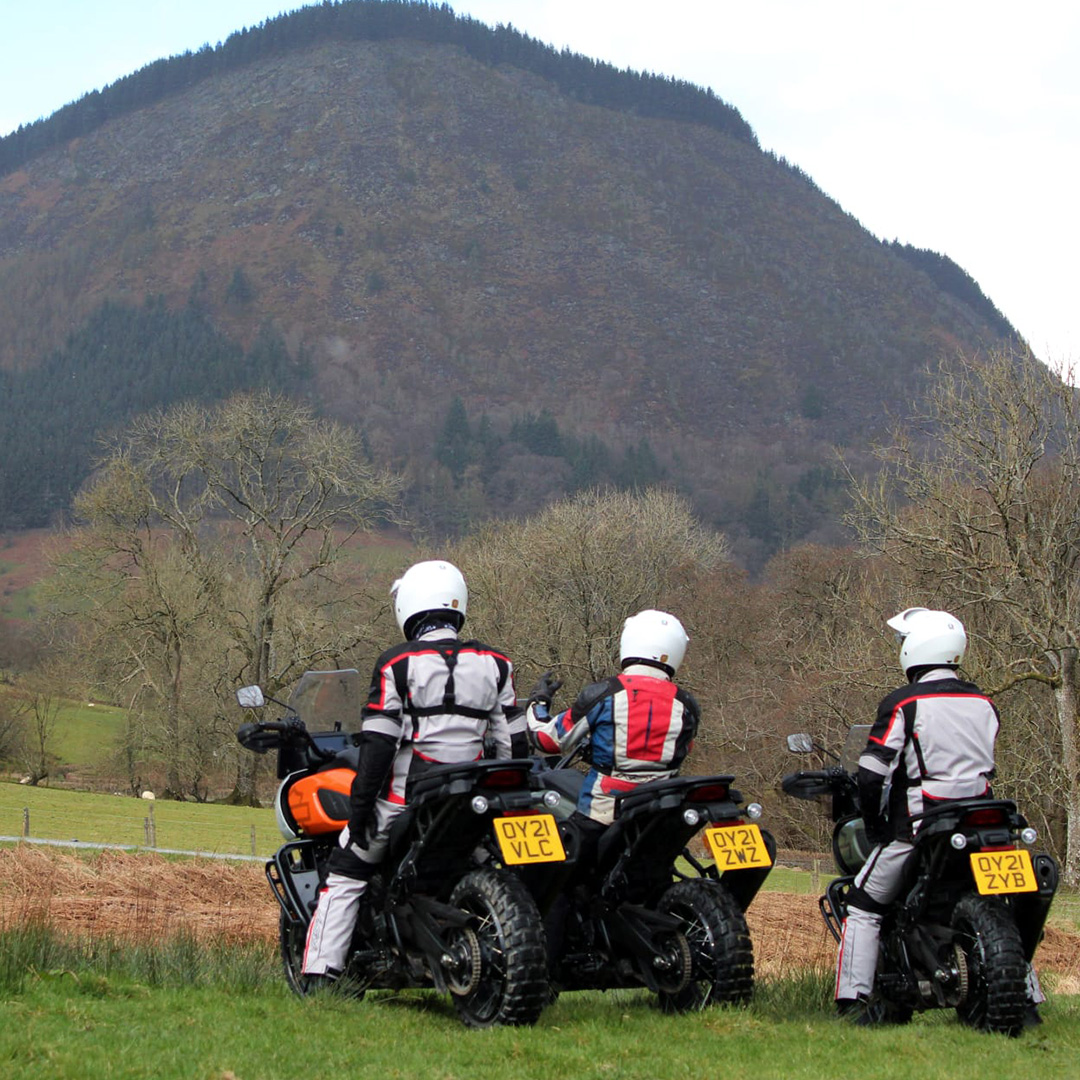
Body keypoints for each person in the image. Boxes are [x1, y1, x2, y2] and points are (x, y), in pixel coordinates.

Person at [301, 559, 527, 986]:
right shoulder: (497, 664)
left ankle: (319, 976)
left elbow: (379, 746)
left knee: (346, 870)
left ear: (409, 605)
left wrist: (361, 811)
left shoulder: (397, 664)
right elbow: (511, 742)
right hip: (474, 800)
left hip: (408, 800)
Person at [834, 606, 1044, 1024]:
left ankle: (854, 1002)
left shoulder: (903, 704)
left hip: (920, 828)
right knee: (998, 905)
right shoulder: (985, 702)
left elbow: (873, 773)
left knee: (862, 904)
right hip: (985, 823)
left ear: (915, 649)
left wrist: (877, 827)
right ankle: (1028, 999)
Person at [525, 609, 700, 952]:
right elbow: (684, 748)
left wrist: (537, 703)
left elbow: (547, 740)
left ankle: (546, 971)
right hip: (659, 809)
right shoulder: (687, 704)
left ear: (629, 642)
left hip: (603, 810)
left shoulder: (604, 694)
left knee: (557, 879)